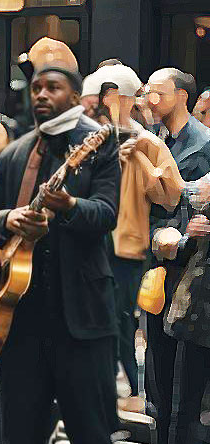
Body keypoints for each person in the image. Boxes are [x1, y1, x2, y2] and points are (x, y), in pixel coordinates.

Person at [0, 38, 127, 444]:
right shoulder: (16, 153)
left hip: (84, 323)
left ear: (74, 93)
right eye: (36, 86)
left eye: (51, 86)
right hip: (21, 325)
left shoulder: (99, 143)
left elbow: (106, 215)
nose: (41, 95)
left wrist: (68, 206)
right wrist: (8, 220)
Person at [121, 68, 210, 444]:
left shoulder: (204, 144)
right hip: (154, 266)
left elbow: (193, 204)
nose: (150, 97)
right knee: (156, 369)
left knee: (184, 380)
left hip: (192, 272)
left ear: (182, 96)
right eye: (147, 91)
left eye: (158, 91)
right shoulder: (149, 141)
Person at [98, 65, 184, 412]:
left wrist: (138, 162)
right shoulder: (90, 137)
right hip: (90, 240)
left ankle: (132, 392)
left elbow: (172, 194)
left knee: (119, 322)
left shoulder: (146, 141)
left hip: (126, 245)